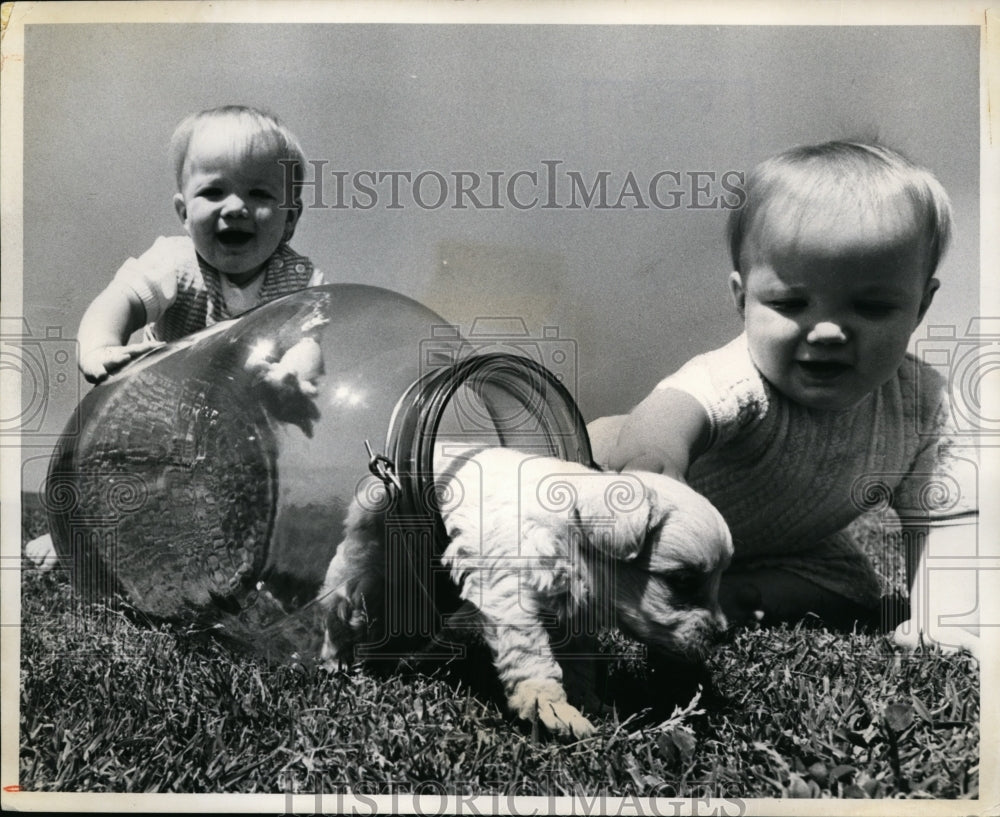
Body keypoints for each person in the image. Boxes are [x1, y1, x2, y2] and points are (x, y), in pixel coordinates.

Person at [594, 140, 980, 658]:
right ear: (743, 300)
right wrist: (653, 466)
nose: (826, 331)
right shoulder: (740, 377)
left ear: (920, 306)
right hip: (601, 477)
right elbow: (677, 408)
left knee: (853, 590)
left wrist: (947, 612)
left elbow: (948, 510)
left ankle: (737, 593)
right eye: (790, 303)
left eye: (870, 307)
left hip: (783, 543)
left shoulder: (923, 406)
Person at [77, 105, 324, 383]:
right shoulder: (176, 263)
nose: (234, 207)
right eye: (213, 192)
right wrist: (100, 347)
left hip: (240, 413)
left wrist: (293, 376)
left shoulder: (297, 282)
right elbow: (120, 301)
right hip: (164, 401)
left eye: (258, 193)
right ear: (184, 213)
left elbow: (306, 344)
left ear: (289, 219)